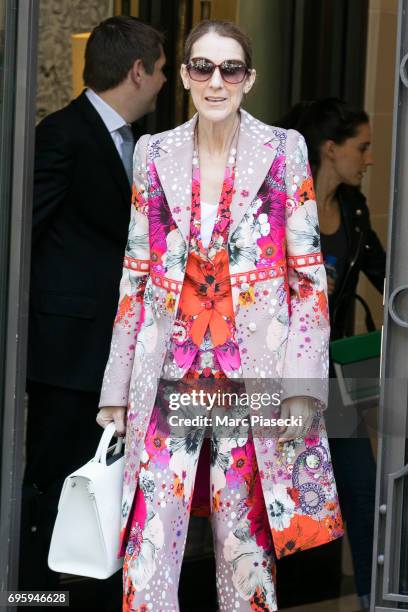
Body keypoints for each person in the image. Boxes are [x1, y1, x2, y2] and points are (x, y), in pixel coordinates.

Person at [97, 21, 344, 612]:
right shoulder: (154, 152)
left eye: (230, 68)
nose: (216, 80)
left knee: (244, 544)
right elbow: (135, 275)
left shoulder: (284, 149)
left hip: (249, 377)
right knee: (149, 542)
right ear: (183, 76)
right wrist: (114, 387)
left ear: (249, 79)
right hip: (165, 375)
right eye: (202, 67)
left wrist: (303, 387)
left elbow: (308, 280)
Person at [20, 16, 166, 595]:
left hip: (116, 355)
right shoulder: (63, 134)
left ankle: (84, 597)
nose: (164, 83)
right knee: (55, 483)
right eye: (159, 71)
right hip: (69, 354)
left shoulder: (140, 145)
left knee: (103, 488)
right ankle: (34, 595)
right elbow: (22, 234)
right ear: (137, 71)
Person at [277, 98, 386, 611]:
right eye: (361, 148)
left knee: (362, 495)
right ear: (329, 147)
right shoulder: (277, 204)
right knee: (279, 507)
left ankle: (371, 601)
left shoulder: (356, 210)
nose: (368, 159)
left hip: (334, 381)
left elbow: (388, 279)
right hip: (277, 386)